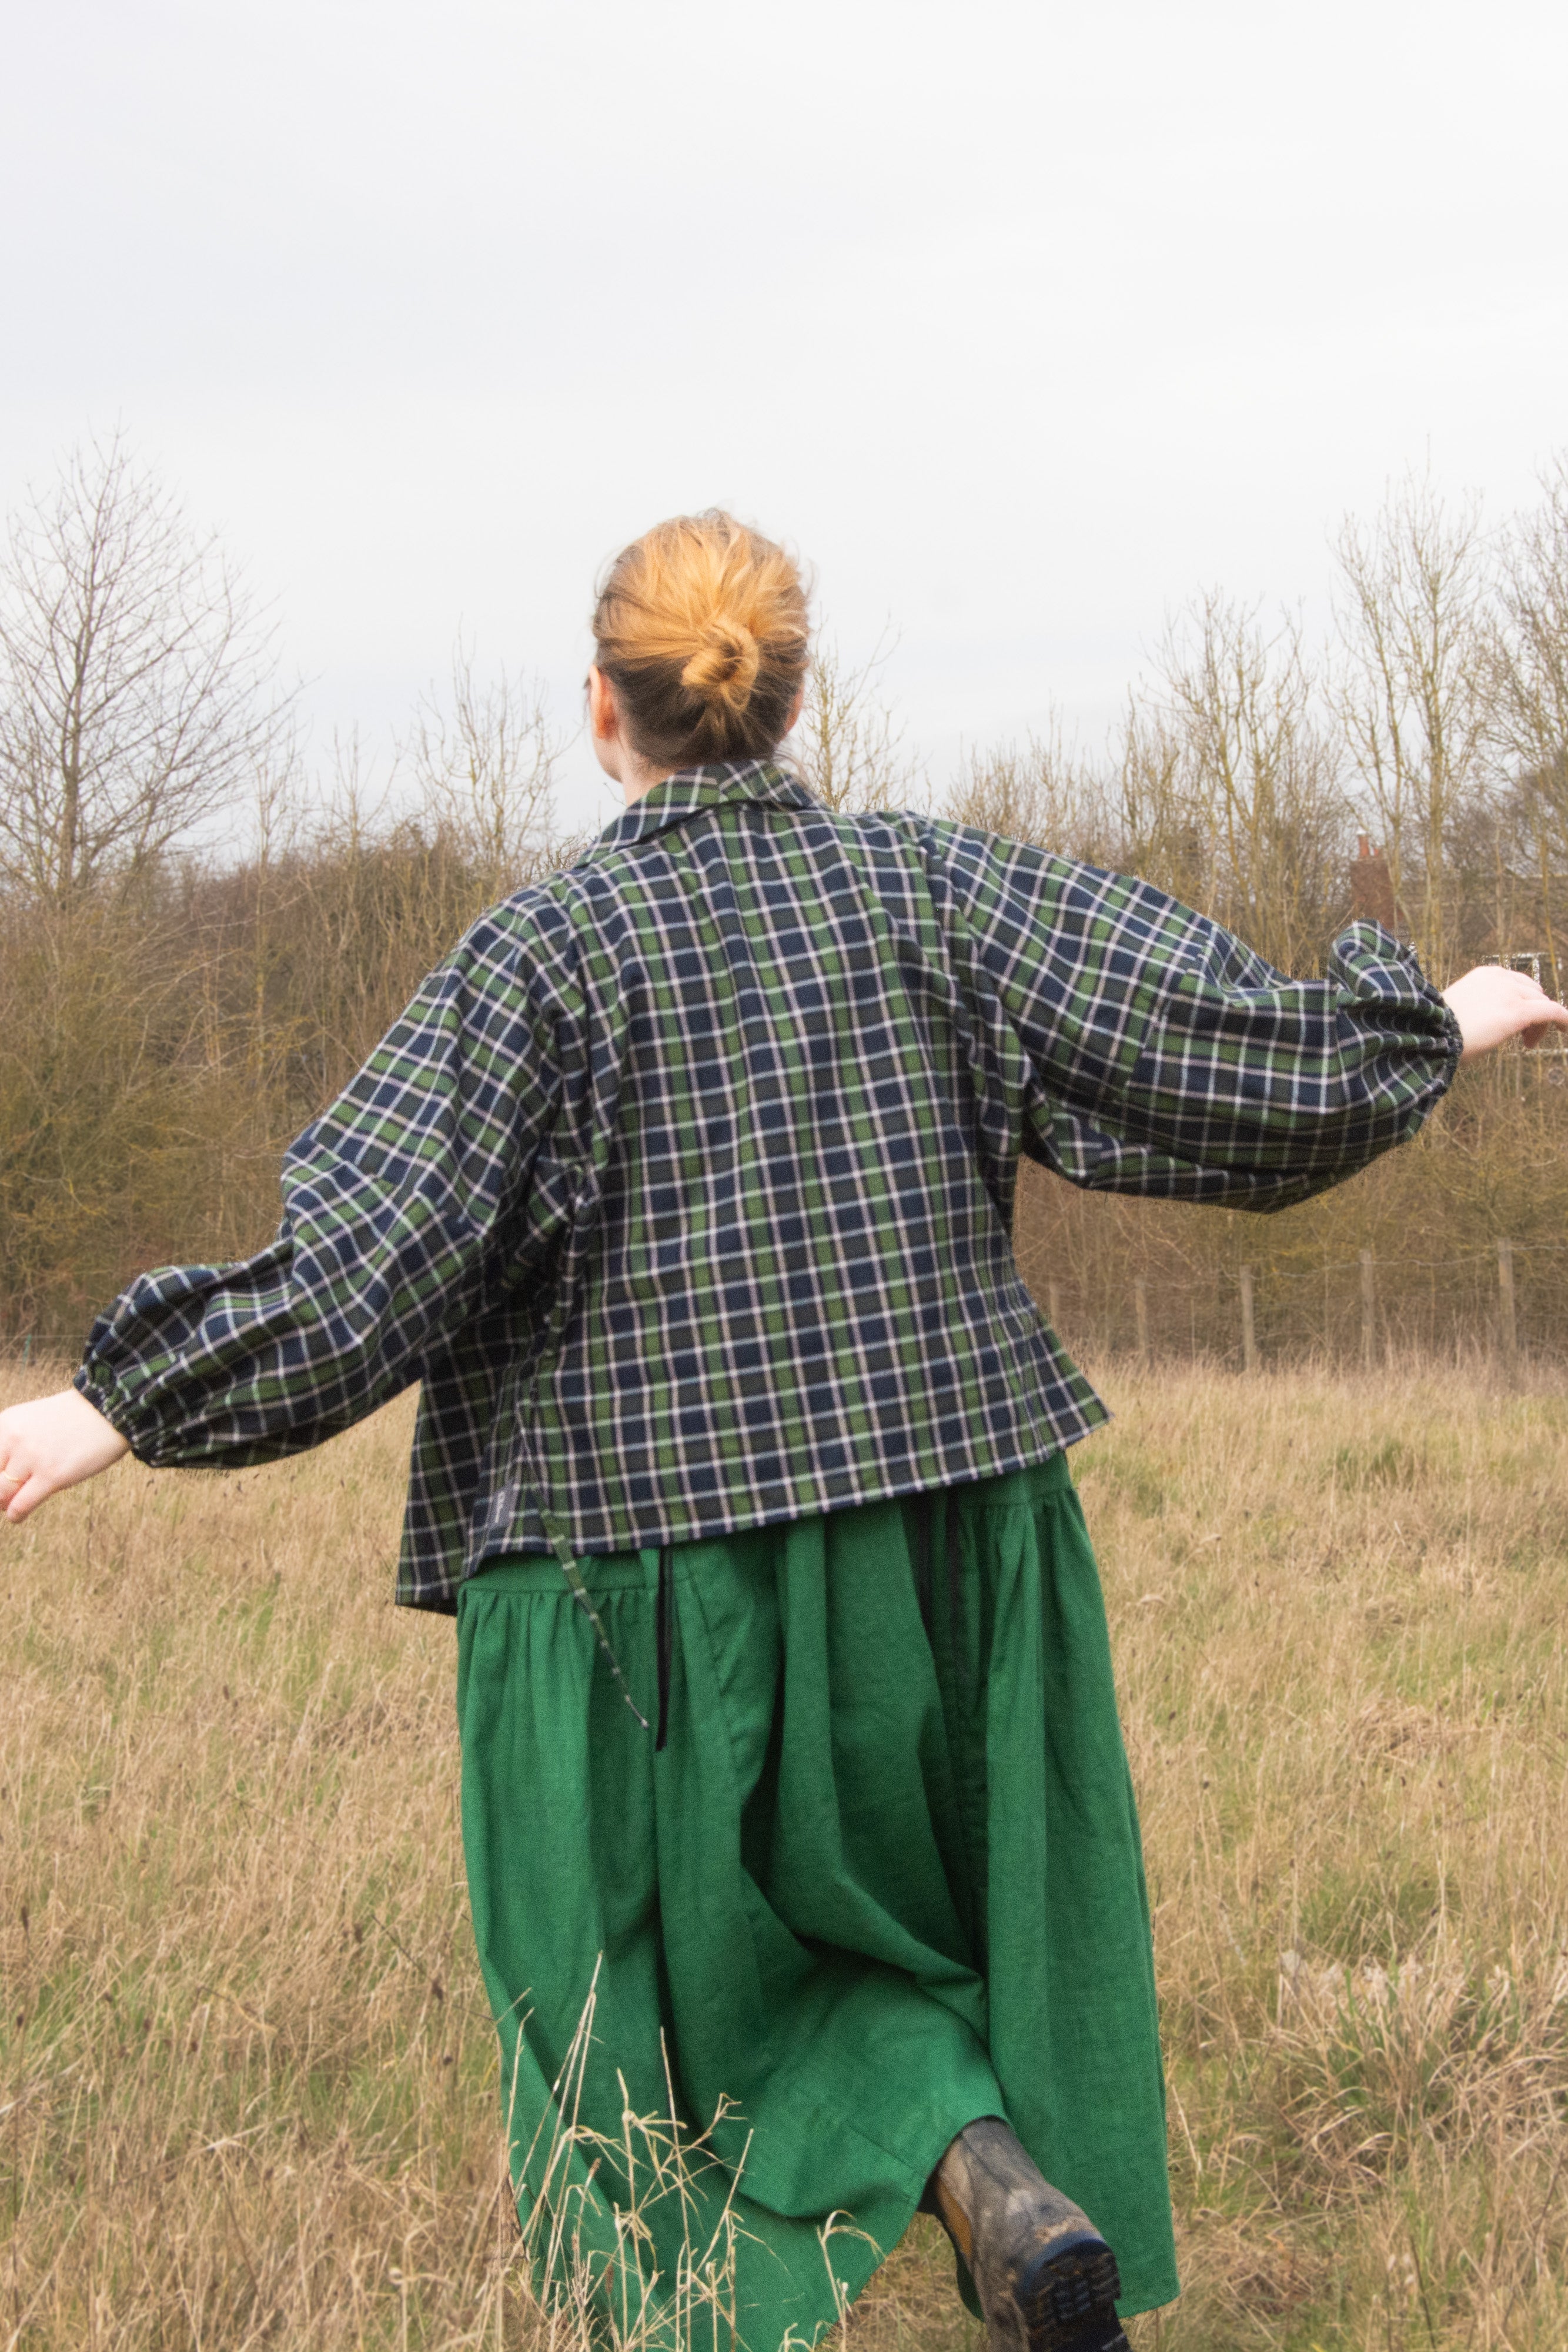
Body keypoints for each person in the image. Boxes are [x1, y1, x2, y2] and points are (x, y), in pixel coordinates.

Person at [1, 512, 1562, 2352]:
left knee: (637, 2060)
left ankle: (837, 2231)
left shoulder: (542, 961)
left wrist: (115, 1400)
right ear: (792, 699)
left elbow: (366, 1268)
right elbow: (1212, 1050)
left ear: (605, 713)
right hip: (947, 1557)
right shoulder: (940, 894)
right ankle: (984, 2163)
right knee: (926, 1941)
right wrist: (1430, 1023)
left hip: (640, 1601)